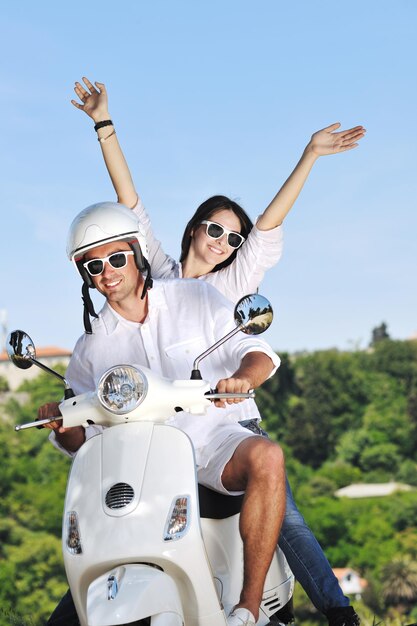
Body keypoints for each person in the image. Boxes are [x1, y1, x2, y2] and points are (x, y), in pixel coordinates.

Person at [69, 77, 364, 626]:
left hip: (229, 425)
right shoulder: (154, 276)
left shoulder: (230, 286)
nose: (222, 243)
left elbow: (271, 224)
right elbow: (128, 207)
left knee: (289, 517)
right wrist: (104, 125)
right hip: (158, 437)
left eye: (233, 238)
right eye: (214, 229)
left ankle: (334, 611)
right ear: (193, 227)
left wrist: (310, 156)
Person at [41, 201, 286, 626]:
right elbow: (81, 436)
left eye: (116, 258)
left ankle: (248, 609)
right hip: (141, 468)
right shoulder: (90, 347)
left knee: (268, 457)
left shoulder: (195, 296)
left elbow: (256, 353)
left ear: (136, 255)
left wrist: (243, 379)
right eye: (93, 267)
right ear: (85, 276)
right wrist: (62, 426)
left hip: (213, 443)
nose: (108, 273)